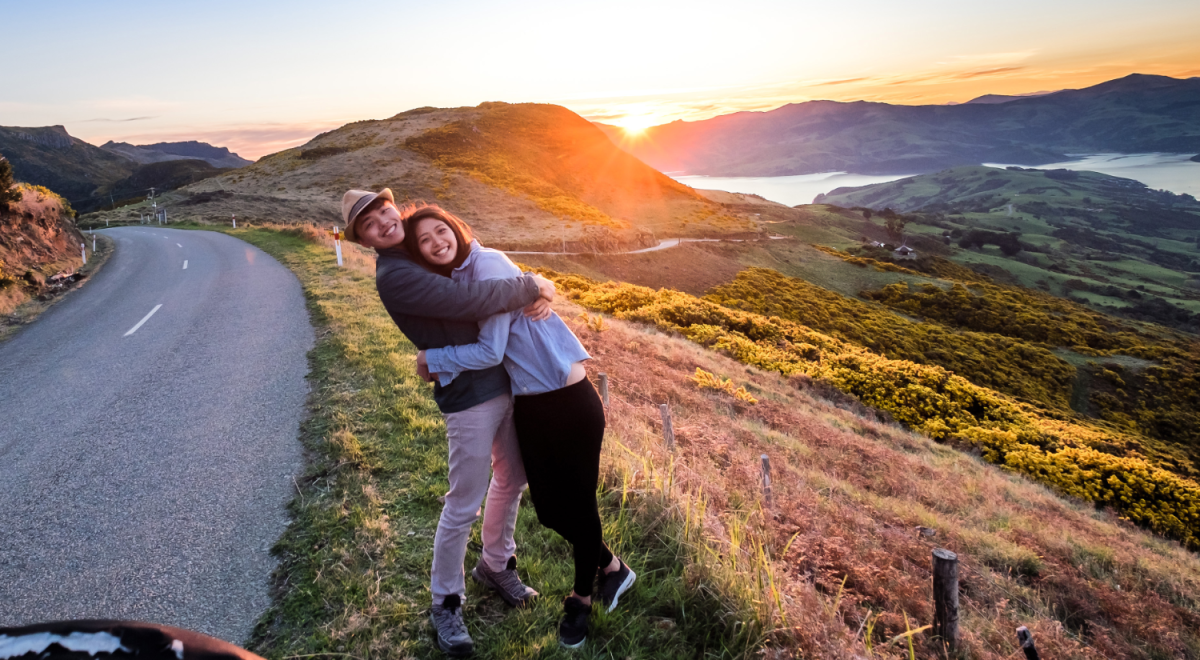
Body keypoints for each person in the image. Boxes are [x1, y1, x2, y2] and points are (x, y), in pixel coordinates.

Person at [405, 205, 636, 649]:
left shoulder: (486, 265)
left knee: (579, 504)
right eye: (424, 241)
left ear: (455, 228)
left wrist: (432, 359)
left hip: (567, 397)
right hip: (530, 403)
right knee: (548, 510)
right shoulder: (458, 281)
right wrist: (539, 284)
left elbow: (491, 351)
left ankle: (581, 600)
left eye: (440, 230)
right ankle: (612, 567)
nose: (436, 242)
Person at [342, 189, 558, 658]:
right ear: (363, 240)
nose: (383, 222)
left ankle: (496, 565)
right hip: (468, 397)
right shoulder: (397, 275)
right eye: (369, 224)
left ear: (395, 209)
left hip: (502, 383)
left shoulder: (414, 254)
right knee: (463, 503)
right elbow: (467, 299)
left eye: (384, 211)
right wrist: (532, 284)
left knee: (512, 478)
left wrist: (538, 284)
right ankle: (445, 602)